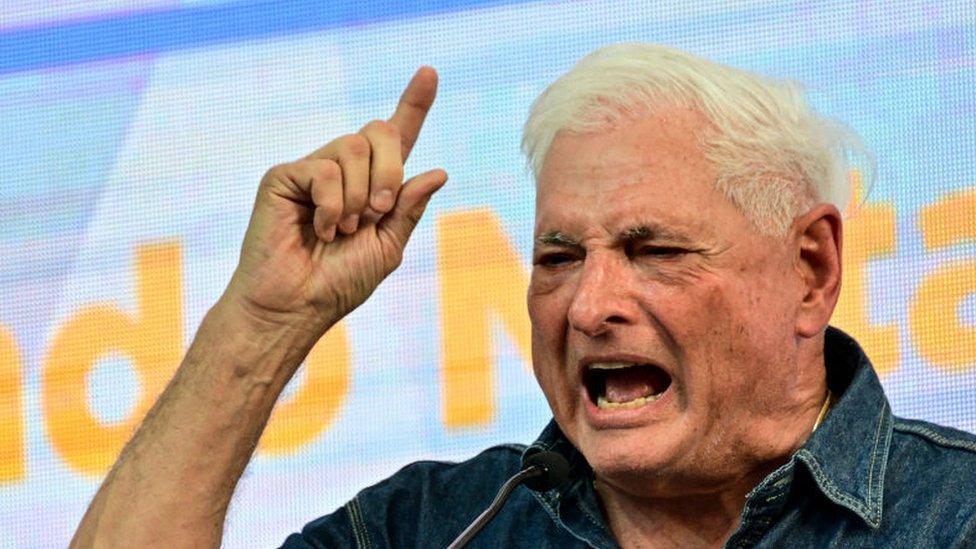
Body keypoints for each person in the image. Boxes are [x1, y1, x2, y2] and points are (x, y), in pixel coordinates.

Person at [71, 44, 976, 548]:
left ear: (812, 269)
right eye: (556, 256)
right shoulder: (432, 531)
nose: (588, 306)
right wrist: (262, 323)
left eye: (652, 248)